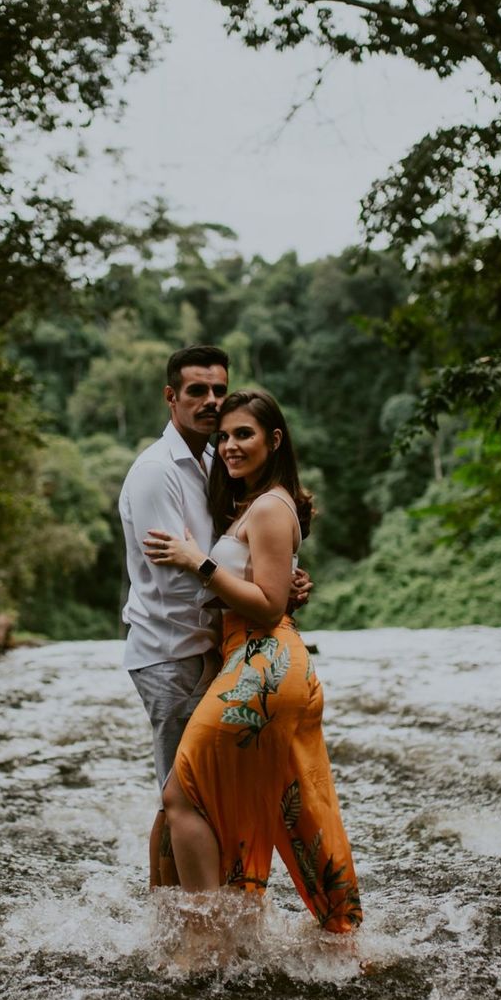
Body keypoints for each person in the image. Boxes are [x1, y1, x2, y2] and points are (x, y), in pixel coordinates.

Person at [142, 388, 363, 941]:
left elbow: (265, 605)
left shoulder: (268, 505)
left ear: (274, 440)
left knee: (181, 795)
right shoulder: (262, 502)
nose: (231, 445)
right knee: (301, 804)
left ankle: (205, 940)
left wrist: (199, 561)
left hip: (262, 662)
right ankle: (341, 934)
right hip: (264, 661)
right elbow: (272, 589)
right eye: (224, 436)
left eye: (244, 434)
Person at [117, 347, 312, 882]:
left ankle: (169, 916)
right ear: (170, 397)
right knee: (183, 795)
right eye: (197, 391)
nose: (210, 403)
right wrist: (267, 592)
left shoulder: (214, 459)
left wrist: (278, 581)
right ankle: (191, 924)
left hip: (216, 652)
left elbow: (232, 550)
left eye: (218, 391)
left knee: (182, 796)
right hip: (170, 652)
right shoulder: (158, 471)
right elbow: (181, 571)